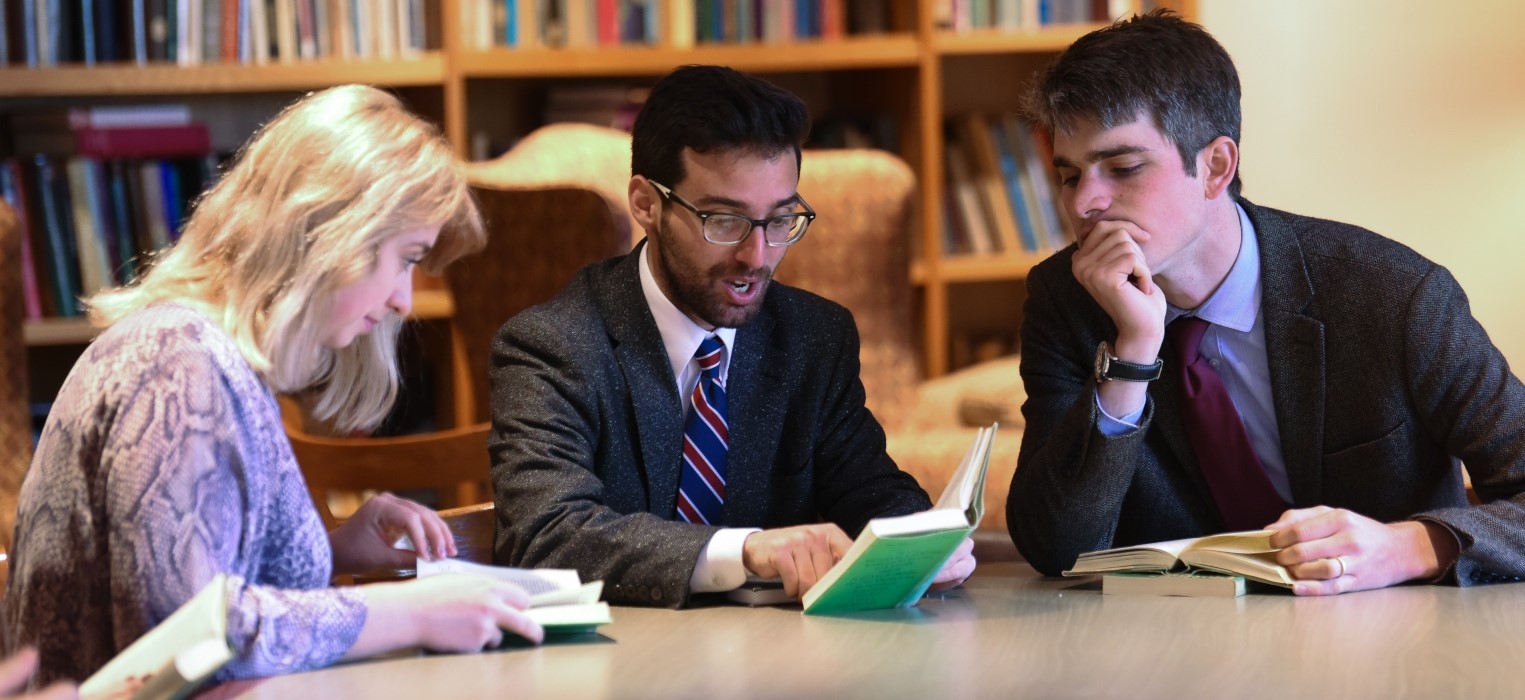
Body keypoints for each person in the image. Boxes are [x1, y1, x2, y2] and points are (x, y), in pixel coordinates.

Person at [5, 85, 544, 687]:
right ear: (330, 232)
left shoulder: (210, 358)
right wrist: (402, 613)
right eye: (405, 257)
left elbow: (196, 574)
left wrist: (332, 551)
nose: (402, 299)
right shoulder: (174, 364)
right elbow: (182, 634)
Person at [1007, 9, 1525, 595]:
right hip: (1178, 655)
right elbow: (1054, 548)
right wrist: (1130, 359)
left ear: (1215, 166)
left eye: (1122, 167)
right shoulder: (1065, 300)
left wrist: (1410, 544)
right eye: (1070, 176)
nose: (1085, 205)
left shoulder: (1392, 294)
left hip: (1393, 648)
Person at [488, 65, 975, 606]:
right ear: (647, 203)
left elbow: (865, 485)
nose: (756, 256)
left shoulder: (816, 336)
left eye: (779, 220)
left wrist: (921, 538)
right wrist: (744, 551)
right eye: (723, 220)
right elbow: (544, 536)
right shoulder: (554, 345)